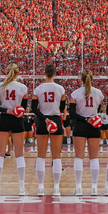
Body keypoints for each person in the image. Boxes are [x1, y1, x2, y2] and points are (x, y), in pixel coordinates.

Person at [0, 63, 29, 196]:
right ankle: (21, 188)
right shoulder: (23, 87)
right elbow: (23, 108)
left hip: (4, 118)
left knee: (0, 154)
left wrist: (7, 110)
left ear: (7, 72)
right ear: (18, 73)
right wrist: (16, 111)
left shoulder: (0, 86)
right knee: (19, 154)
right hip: (18, 120)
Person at [31, 64, 67, 196]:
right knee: (56, 156)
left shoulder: (38, 89)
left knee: (41, 156)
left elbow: (34, 108)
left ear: (44, 73)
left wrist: (45, 119)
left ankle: (41, 187)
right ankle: (56, 188)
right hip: (56, 120)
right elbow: (62, 106)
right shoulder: (60, 89)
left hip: (42, 121)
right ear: (55, 74)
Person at [69, 69, 105, 196]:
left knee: (79, 157)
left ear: (81, 79)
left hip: (80, 125)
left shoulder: (75, 93)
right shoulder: (99, 93)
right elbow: (98, 107)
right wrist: (91, 117)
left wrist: (85, 118)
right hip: (94, 125)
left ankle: (78, 188)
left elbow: (72, 113)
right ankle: (94, 188)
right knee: (94, 158)